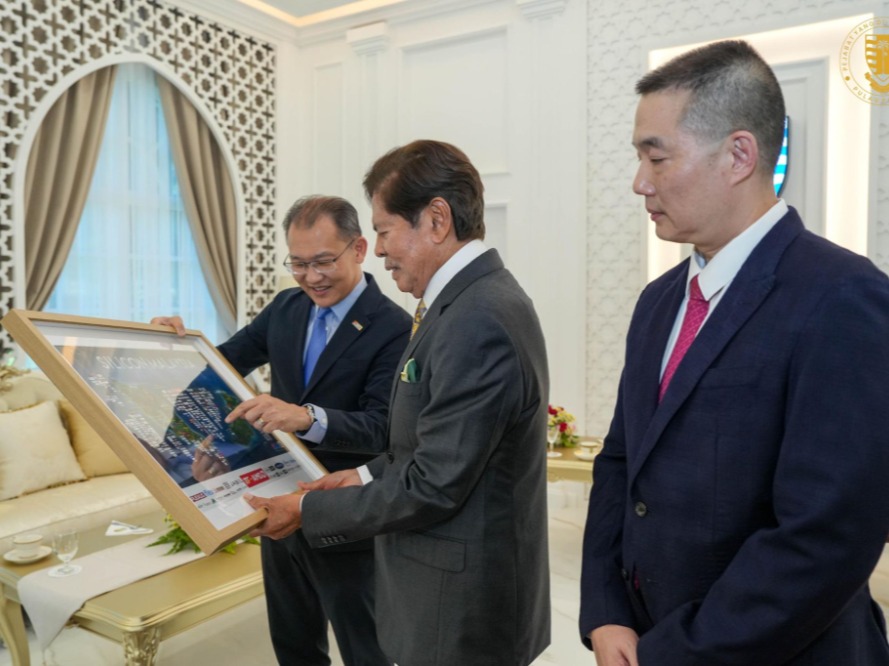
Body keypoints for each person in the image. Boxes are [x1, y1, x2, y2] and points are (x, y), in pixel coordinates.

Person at [579, 39, 889, 665]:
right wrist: (606, 611)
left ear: (739, 155)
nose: (640, 182)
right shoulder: (659, 301)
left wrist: (675, 653)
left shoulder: (843, 297)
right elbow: (621, 463)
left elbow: (824, 537)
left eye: (656, 158)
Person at [245, 140, 552, 666]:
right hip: (442, 585)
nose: (381, 251)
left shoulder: (477, 318)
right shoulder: (462, 303)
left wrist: (306, 508)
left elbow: (434, 483)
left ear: (436, 220)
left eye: (384, 232)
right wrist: (362, 475)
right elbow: (431, 444)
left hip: (461, 604)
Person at [153, 195, 410, 666]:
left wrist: (306, 417)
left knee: (366, 648)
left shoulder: (394, 327)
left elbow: (383, 429)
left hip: (347, 514)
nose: (311, 277)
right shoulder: (286, 307)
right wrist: (173, 343)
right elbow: (225, 363)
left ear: (358, 249)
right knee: (293, 644)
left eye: (323, 262)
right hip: (278, 504)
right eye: (298, 263)